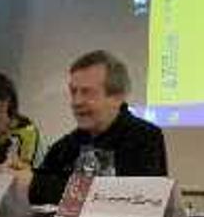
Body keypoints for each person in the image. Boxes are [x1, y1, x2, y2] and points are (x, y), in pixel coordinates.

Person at [25, 50, 167, 204]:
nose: (76, 102)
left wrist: (34, 182)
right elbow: (40, 189)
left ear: (117, 97)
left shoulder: (145, 137)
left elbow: (126, 199)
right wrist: (21, 175)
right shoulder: (66, 146)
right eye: (73, 92)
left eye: (87, 92)